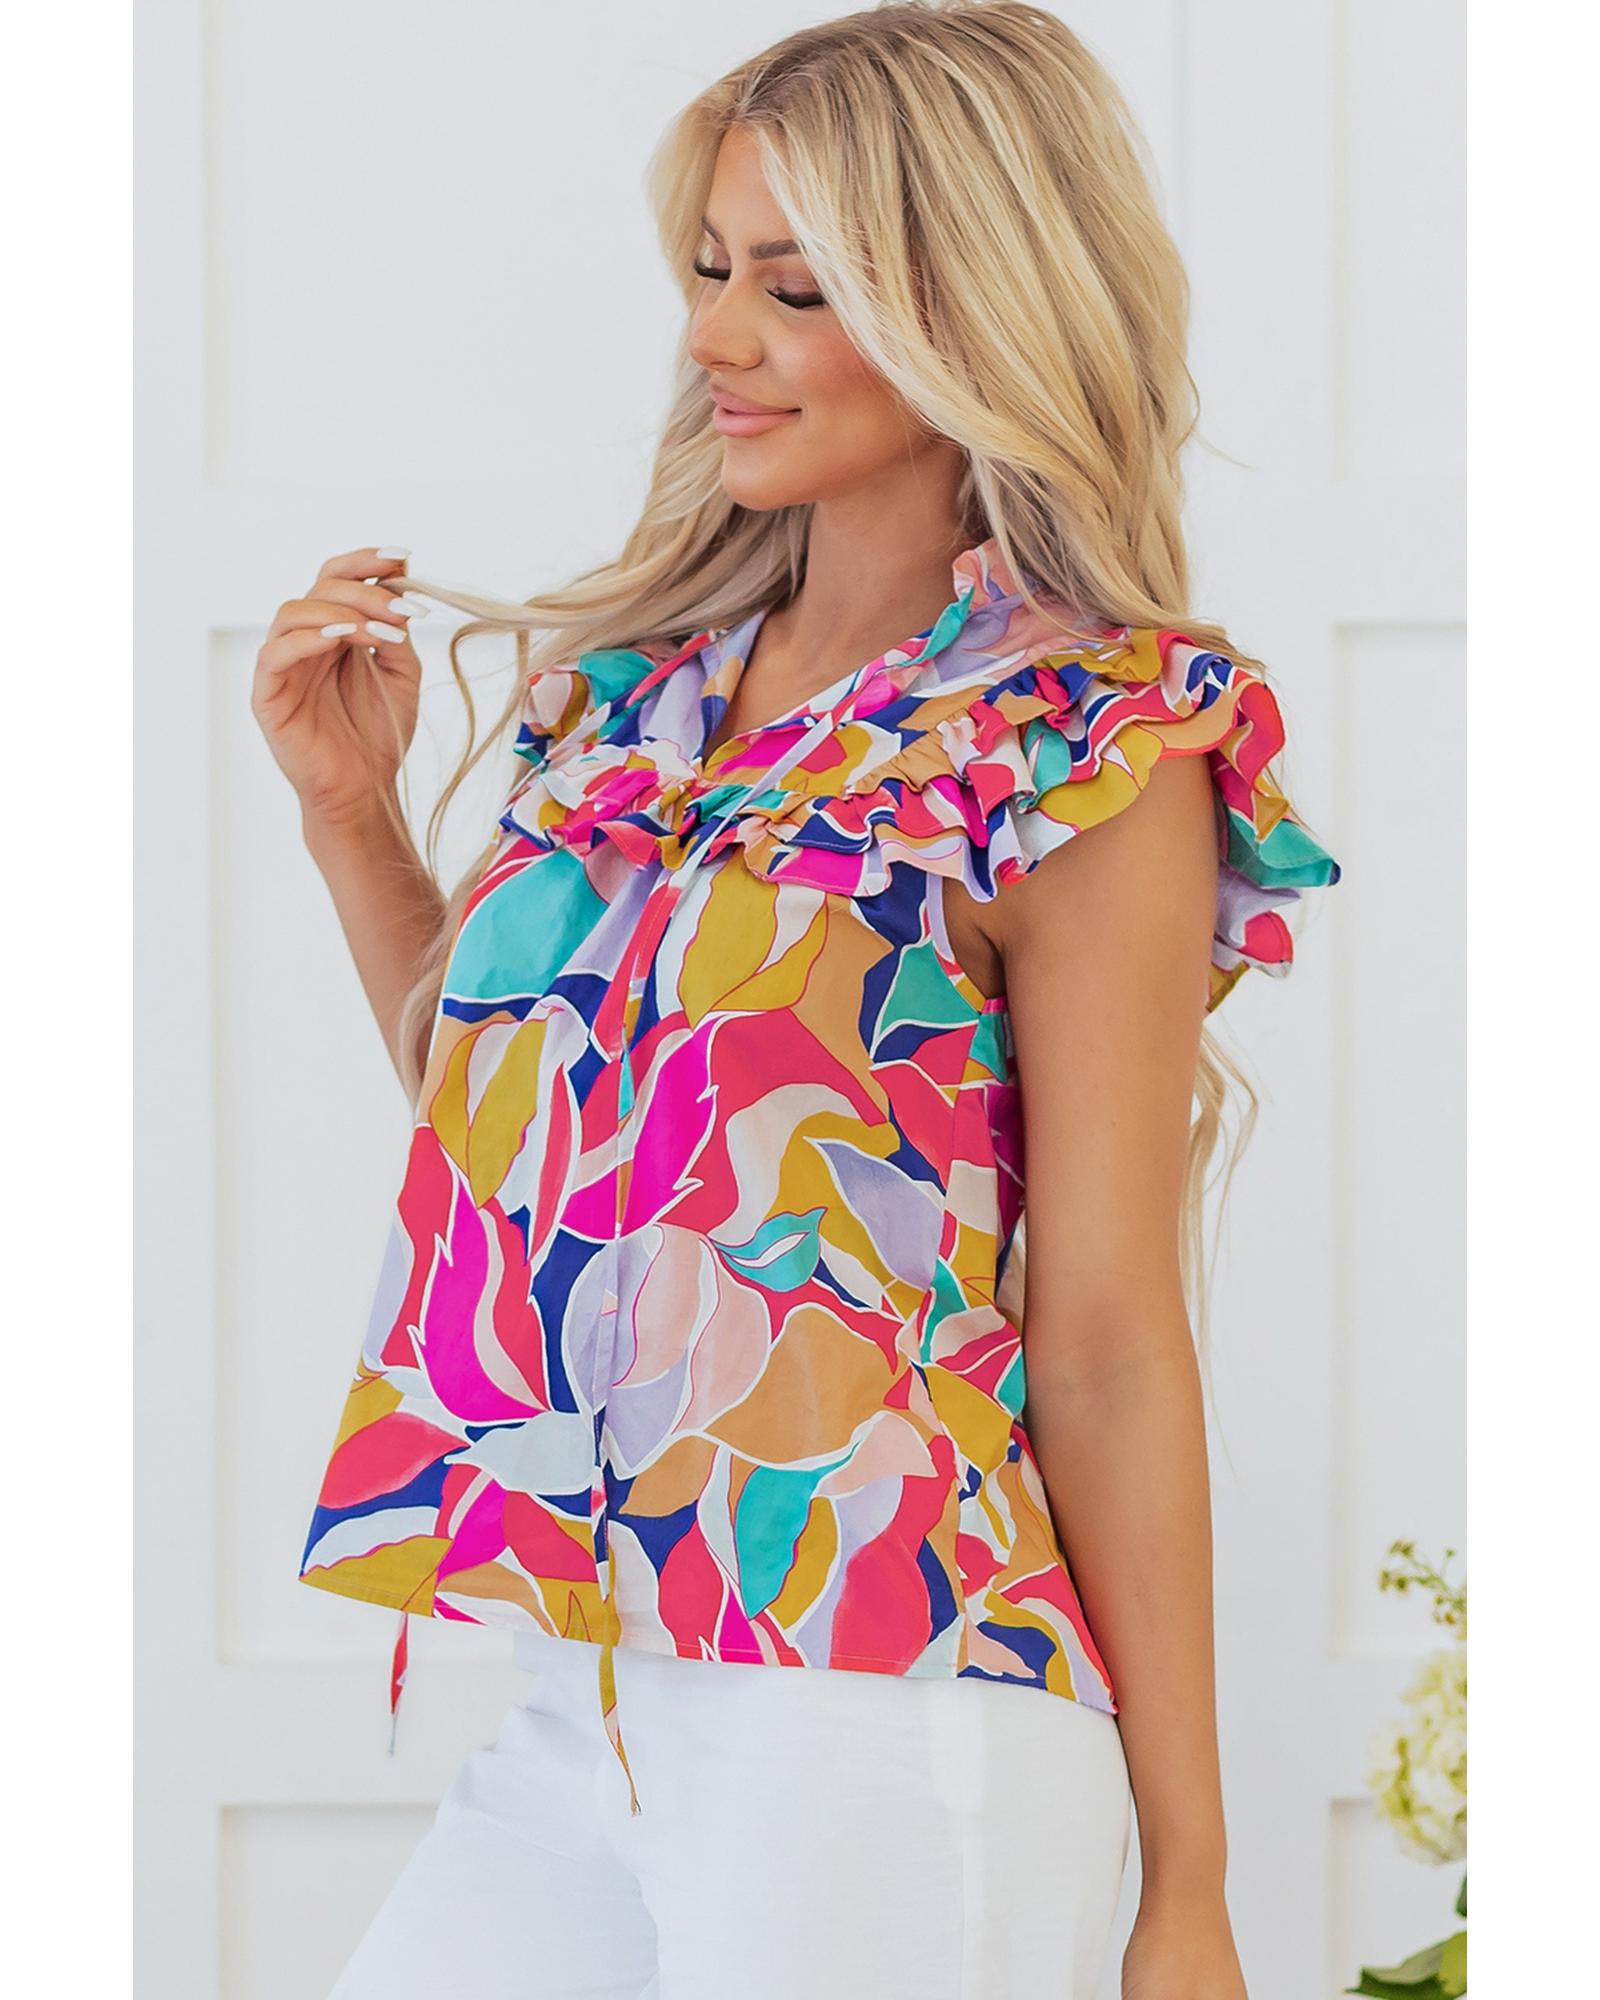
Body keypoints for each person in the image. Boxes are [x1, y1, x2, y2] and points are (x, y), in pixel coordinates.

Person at [251, 6, 1341, 1995]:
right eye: (707, 270)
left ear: (970, 309)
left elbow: (1106, 1333)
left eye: (793, 287)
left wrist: (1188, 1888)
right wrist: (355, 825)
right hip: (595, 1685)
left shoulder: (1082, 743)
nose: (714, 337)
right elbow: (539, 1149)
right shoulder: (635, 703)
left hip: (886, 1700)